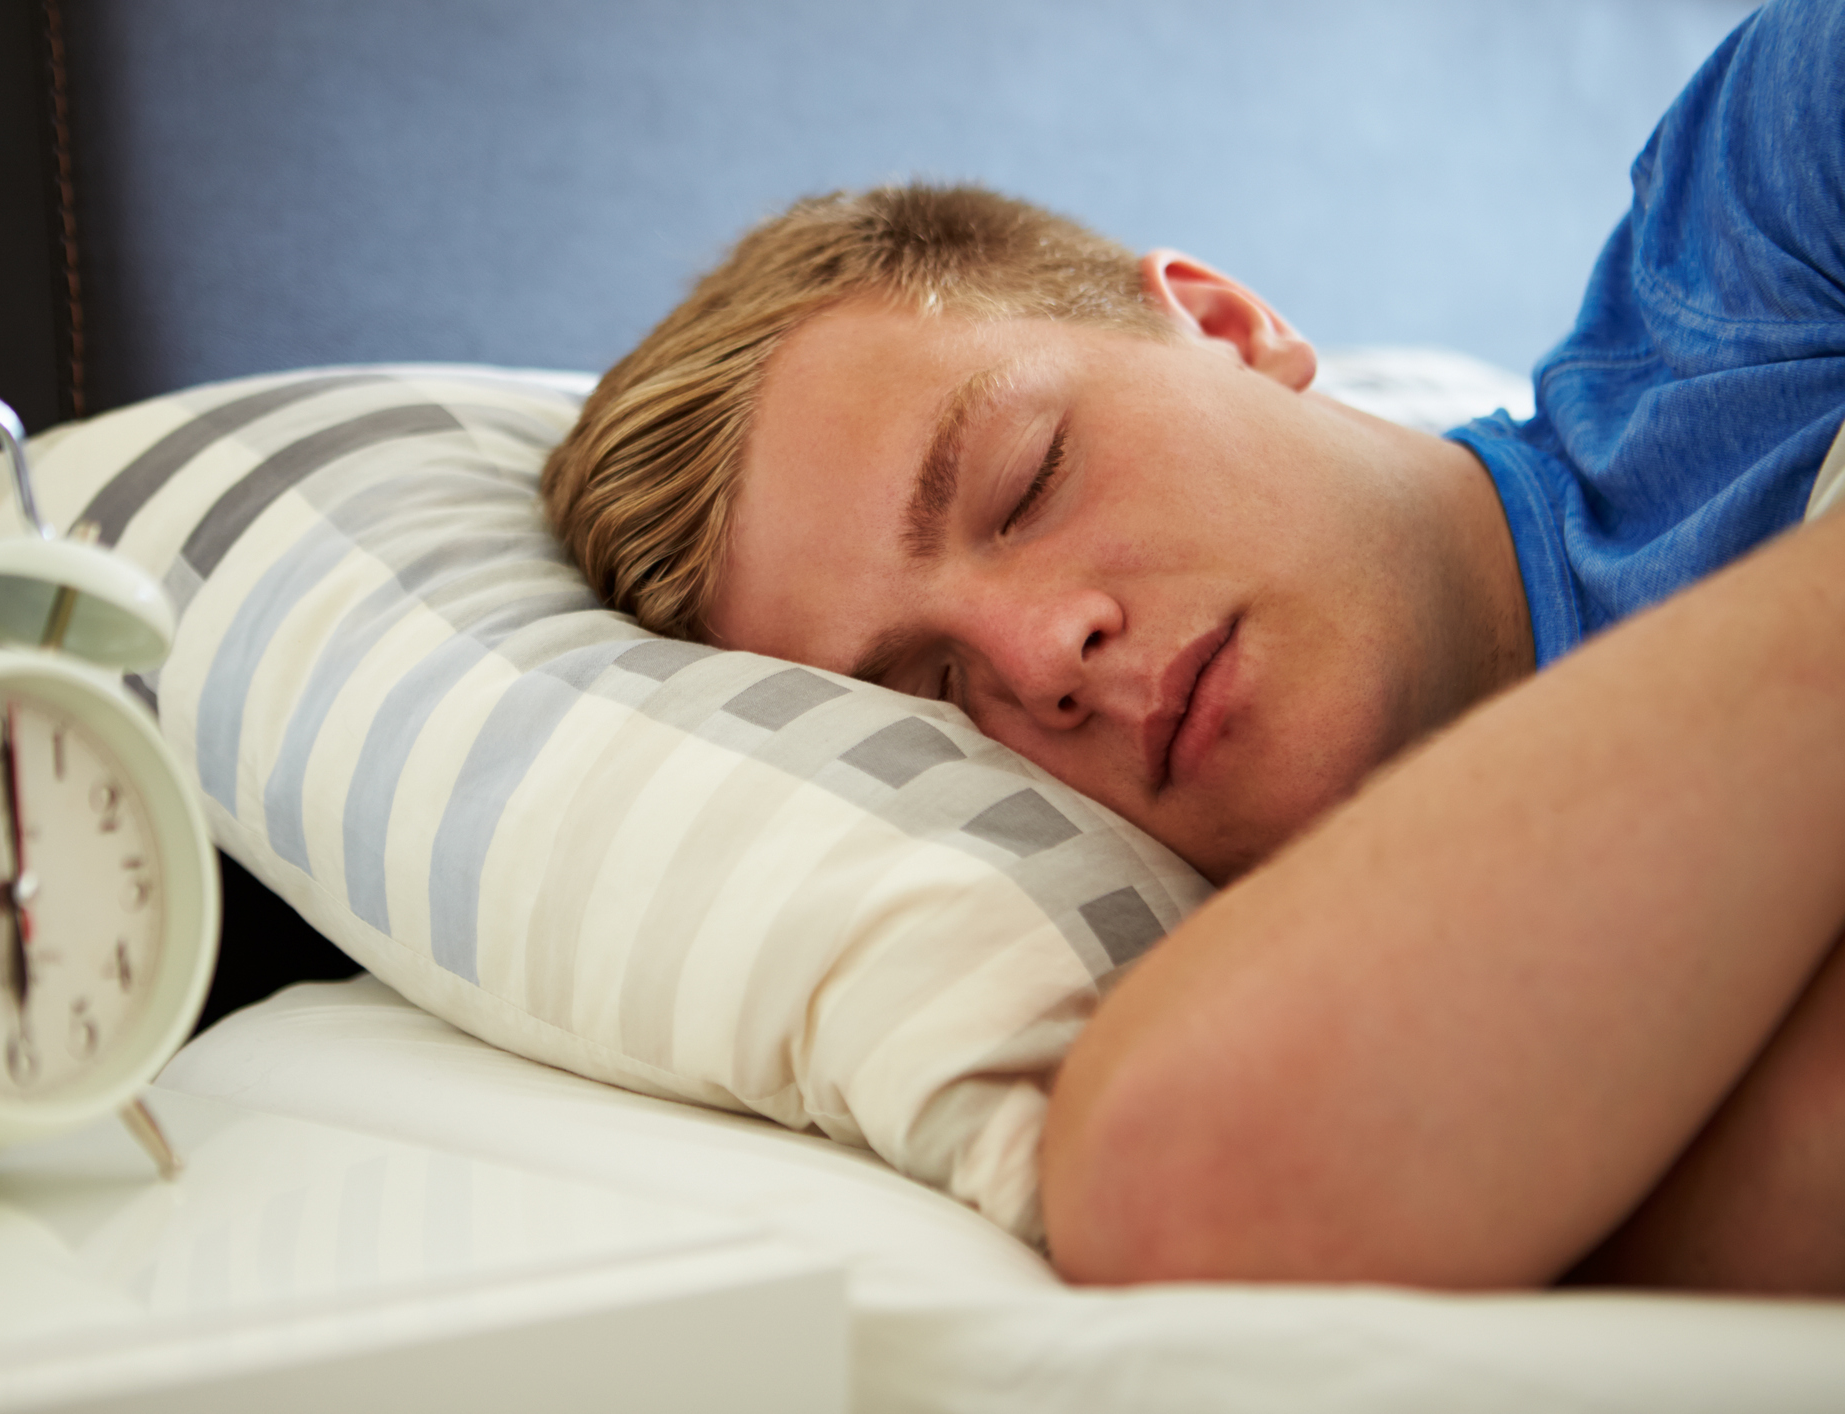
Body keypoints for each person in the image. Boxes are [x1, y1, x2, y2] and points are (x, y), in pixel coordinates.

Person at [541, 0, 1845, 1294]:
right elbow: (1174, 1190)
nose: (1042, 655)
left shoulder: (1764, 207)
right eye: (933, 694)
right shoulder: (1288, 1076)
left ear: (1223, 325)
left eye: (1026, 480)